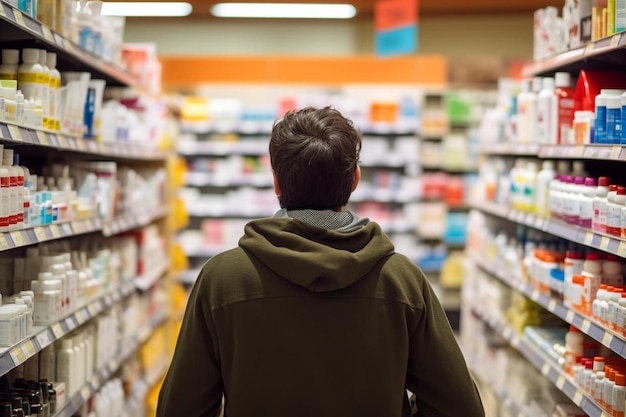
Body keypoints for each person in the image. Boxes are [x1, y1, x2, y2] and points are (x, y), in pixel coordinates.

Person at [156, 106, 484, 417]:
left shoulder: (222, 280)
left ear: (276, 182)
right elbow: (460, 408)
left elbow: (180, 409)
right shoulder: (402, 279)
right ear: (355, 179)